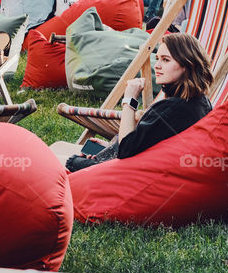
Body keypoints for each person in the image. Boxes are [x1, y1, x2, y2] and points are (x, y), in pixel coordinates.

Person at [66, 33, 213, 171]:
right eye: (158, 58)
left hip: (125, 174)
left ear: (187, 65)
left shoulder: (173, 109)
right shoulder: (200, 103)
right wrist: (112, 146)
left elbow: (126, 151)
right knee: (62, 148)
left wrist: (129, 100)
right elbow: (147, 144)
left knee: (61, 157)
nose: (157, 65)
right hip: (147, 168)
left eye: (166, 60)